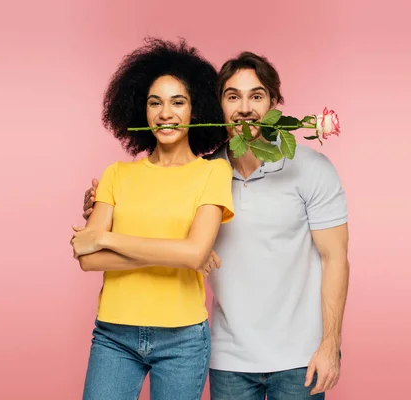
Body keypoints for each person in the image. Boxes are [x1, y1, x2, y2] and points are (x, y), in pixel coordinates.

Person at [82, 51, 350, 400]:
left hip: (300, 359)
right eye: (232, 96)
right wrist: (100, 206)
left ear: (274, 103)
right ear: (216, 105)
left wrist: (330, 344)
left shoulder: (311, 169)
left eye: (256, 95)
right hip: (229, 361)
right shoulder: (207, 172)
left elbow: (336, 260)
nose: (244, 108)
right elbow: (156, 217)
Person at [70, 38, 234, 400]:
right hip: (115, 335)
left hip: (183, 339)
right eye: (154, 102)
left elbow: (193, 255)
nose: (165, 113)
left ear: (196, 110)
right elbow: (87, 258)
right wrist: (176, 252)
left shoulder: (213, 174)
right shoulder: (116, 174)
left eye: (178, 102)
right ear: (139, 111)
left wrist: (108, 238)